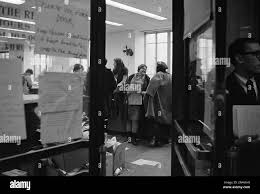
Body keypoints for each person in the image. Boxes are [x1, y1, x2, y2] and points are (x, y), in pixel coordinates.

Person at [226, 38, 260, 175]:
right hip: (240, 163)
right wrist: (233, 144)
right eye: (255, 54)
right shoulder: (224, 86)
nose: (259, 58)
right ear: (239, 58)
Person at [144, 62, 172, 147]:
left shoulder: (158, 75)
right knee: (167, 120)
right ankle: (166, 139)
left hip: (158, 103)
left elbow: (150, 90)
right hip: (168, 104)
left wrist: (146, 98)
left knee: (157, 121)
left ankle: (156, 140)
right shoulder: (170, 76)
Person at [126, 64, 150, 145]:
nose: (144, 72)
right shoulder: (131, 76)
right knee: (129, 120)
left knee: (135, 120)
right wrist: (129, 90)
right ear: (138, 69)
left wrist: (142, 92)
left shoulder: (147, 78)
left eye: (145, 70)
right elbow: (125, 87)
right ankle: (129, 138)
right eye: (142, 70)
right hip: (129, 100)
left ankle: (134, 138)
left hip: (138, 102)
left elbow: (148, 91)